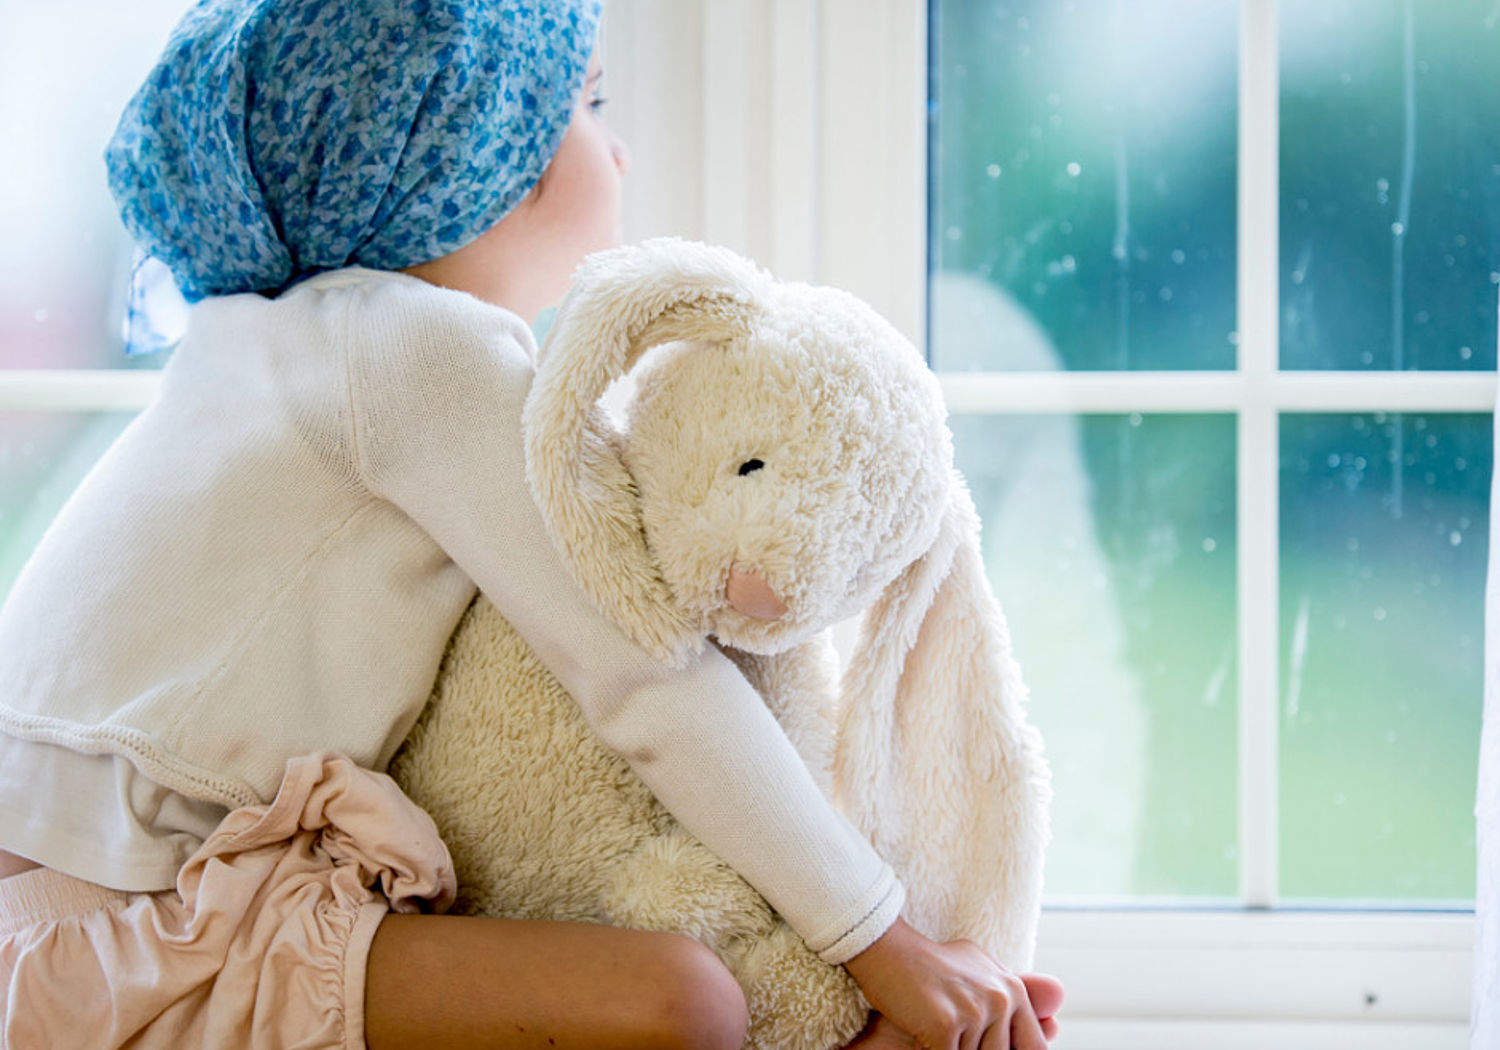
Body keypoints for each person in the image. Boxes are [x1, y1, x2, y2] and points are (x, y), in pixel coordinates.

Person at [0, 1, 1064, 1047]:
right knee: (682, 1002)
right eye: (591, 104)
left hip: (91, 912)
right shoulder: (411, 348)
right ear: (479, 156)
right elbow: (645, 668)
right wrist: (887, 945)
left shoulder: (263, 343)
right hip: (122, 933)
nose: (624, 149)